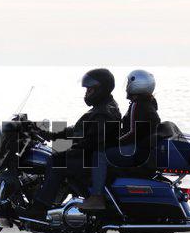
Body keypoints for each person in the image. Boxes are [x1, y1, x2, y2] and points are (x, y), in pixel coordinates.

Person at [25, 68, 121, 220]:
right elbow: (79, 130)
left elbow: (92, 142)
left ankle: (40, 207)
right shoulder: (102, 107)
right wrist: (50, 134)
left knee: (56, 162)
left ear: (101, 89)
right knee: (57, 157)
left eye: (90, 90)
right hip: (93, 157)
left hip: (93, 159)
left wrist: (71, 150)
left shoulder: (104, 112)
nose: (87, 93)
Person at [79, 70, 161, 210]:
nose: (127, 86)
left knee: (100, 155)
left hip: (136, 149)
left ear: (137, 84)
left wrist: (114, 143)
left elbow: (133, 133)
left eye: (129, 82)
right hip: (142, 148)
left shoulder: (137, 105)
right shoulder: (149, 102)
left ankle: (97, 197)